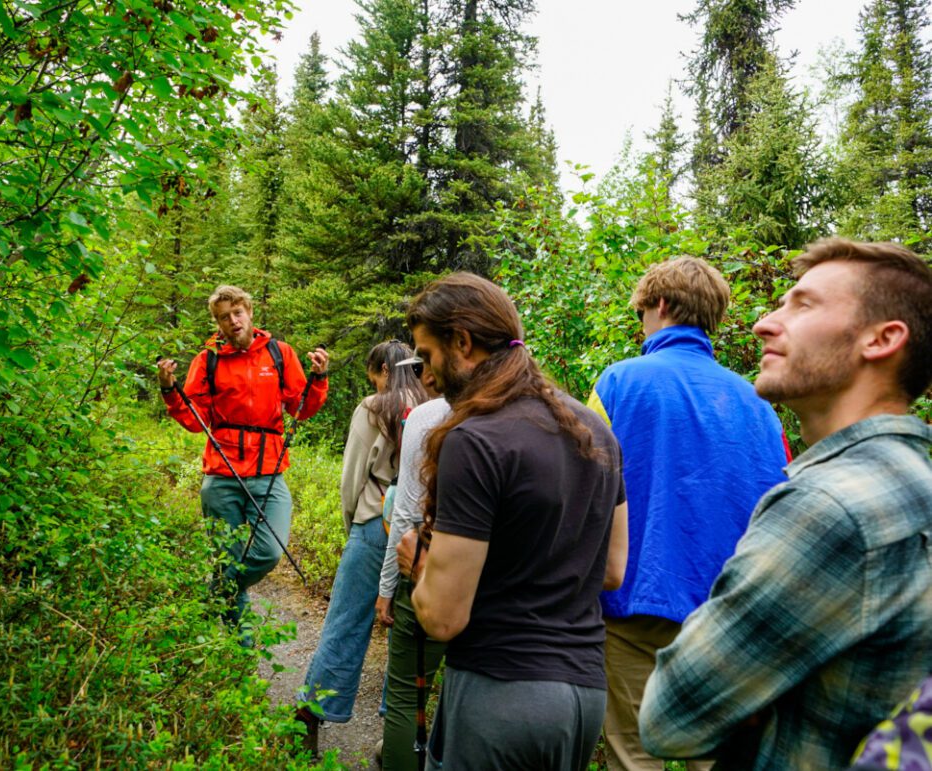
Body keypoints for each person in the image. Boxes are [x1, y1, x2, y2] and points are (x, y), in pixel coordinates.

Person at [639, 238, 932, 769]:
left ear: (882, 339)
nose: (765, 323)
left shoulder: (830, 508)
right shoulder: (915, 480)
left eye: (804, 305)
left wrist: (752, 698)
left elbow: (669, 716)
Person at [396, 272, 629, 771]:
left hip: (499, 693)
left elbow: (442, 617)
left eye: (428, 357)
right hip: (583, 696)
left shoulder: (475, 439)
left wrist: (419, 565)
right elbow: (612, 570)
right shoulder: (595, 432)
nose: (425, 377)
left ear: (462, 342)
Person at [586, 257, 789, 771]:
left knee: (634, 758)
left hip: (632, 606)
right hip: (727, 618)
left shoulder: (616, 385)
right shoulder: (759, 404)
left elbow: (582, 490)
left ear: (658, 306)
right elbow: (781, 509)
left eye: (641, 314)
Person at [156, 284, 328, 627]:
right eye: (224, 317)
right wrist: (168, 388)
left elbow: (302, 407)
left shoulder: (280, 353)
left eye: (237, 313)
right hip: (221, 474)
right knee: (225, 558)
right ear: (217, 323)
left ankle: (217, 593)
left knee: (268, 552)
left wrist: (319, 377)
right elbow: (193, 417)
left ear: (249, 312)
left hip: (269, 469)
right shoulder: (208, 360)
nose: (232, 321)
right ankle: (240, 652)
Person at [297, 341, 427, 755]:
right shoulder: (433, 404)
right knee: (408, 635)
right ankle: (397, 738)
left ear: (382, 371)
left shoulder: (374, 406)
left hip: (374, 522)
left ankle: (309, 723)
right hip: (420, 535)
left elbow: (353, 474)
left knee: (346, 623)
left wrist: (352, 520)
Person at [375, 352, 450, 771]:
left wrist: (387, 587)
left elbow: (404, 512)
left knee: (406, 695)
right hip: (500, 585)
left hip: (429, 567)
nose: (421, 374)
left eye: (423, 362)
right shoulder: (533, 412)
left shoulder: (425, 417)